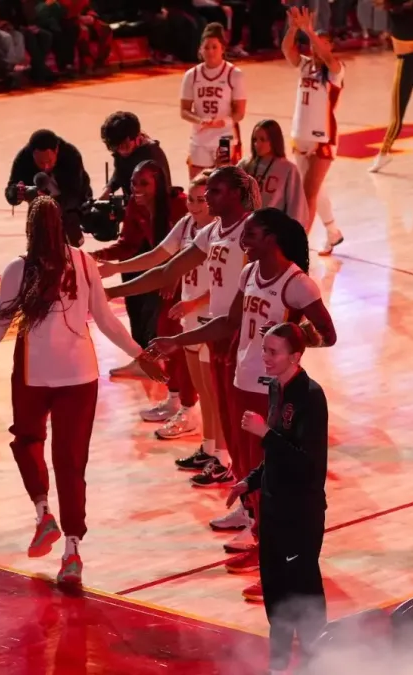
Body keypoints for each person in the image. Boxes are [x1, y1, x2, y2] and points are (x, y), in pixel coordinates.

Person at [0, 197, 165, 585]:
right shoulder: (84, 263)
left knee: (27, 442)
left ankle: (43, 514)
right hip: (79, 374)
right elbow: (105, 322)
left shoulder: (19, 269)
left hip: (36, 372)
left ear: (30, 230)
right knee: (71, 463)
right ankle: (71, 552)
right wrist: (140, 354)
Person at [151, 209, 337, 573]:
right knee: (248, 468)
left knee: (271, 479)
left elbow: (327, 334)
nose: (243, 241)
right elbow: (229, 323)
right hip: (241, 379)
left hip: (270, 392)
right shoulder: (249, 272)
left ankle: (273, 558)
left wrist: (290, 348)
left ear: (270, 238)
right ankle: (256, 533)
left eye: (250, 235)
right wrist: (178, 340)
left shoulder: (297, 284)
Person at [106, 166, 258, 493]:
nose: (203, 202)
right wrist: (109, 292)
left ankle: (247, 490)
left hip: (237, 336)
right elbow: (165, 271)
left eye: (213, 194)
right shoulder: (211, 232)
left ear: (233, 194)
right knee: (215, 402)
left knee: (236, 414)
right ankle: (223, 462)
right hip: (212, 332)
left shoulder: (250, 230)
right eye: (201, 195)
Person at [225, 323, 328, 672]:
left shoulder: (311, 397)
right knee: (276, 595)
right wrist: (250, 481)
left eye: (273, 352)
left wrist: (264, 433)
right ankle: (279, 668)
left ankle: (320, 665)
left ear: (295, 357)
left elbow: (307, 464)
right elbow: (276, 458)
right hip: (272, 508)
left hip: (300, 514)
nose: (264, 357)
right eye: (264, 350)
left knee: (302, 595)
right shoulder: (274, 389)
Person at [98, 173, 222, 452]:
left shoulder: (222, 234)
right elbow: (157, 260)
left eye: (201, 200)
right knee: (190, 371)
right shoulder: (188, 225)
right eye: (191, 199)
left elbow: (230, 283)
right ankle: (206, 443)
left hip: (212, 317)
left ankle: (217, 450)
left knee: (211, 390)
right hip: (190, 313)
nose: (194, 205)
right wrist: (117, 270)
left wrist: (194, 302)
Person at [91, 161, 187, 380]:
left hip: (189, 274)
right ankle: (152, 368)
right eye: (134, 183)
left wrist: (175, 275)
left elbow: (191, 248)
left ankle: (175, 384)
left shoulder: (180, 205)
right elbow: (129, 244)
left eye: (144, 183)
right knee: (156, 322)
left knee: (169, 326)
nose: (137, 189)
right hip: (165, 272)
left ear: (159, 183)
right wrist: (98, 256)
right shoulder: (136, 204)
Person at [282, 7, 344, 254]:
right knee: (316, 189)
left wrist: (309, 30)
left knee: (307, 194)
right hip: (300, 135)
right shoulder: (306, 65)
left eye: (324, 44)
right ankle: (333, 232)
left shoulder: (335, 70)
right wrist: (294, 28)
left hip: (323, 139)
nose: (319, 48)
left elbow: (328, 57)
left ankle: (297, 250)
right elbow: (287, 50)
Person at [368, 0, 413, 172]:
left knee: (397, 118)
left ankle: (383, 155)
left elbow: (379, 3)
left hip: (405, 66)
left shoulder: (395, 13)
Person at [180, 22, 247, 179]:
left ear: (222, 49)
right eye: (206, 47)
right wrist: (200, 120)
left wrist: (223, 121)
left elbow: (240, 113)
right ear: (200, 50)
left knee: (225, 186)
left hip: (225, 138)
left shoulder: (235, 74)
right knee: (197, 187)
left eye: (214, 47)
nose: (210, 51)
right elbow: (184, 111)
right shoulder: (191, 75)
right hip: (200, 138)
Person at [4, 129, 93, 247]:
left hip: (69, 206)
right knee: (37, 245)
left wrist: (49, 204)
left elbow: (74, 195)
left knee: (71, 244)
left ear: (56, 151)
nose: (46, 167)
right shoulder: (23, 159)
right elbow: (10, 191)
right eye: (41, 163)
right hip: (41, 209)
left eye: (49, 161)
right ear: (32, 154)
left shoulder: (71, 155)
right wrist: (16, 193)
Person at [239, 120, 308, 225]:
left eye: (263, 140)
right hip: (244, 227)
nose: (257, 144)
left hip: (271, 230)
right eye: (255, 139)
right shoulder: (245, 164)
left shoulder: (288, 169)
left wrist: (292, 234)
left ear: (274, 140)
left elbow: (296, 206)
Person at [99, 111, 172, 199]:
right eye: (116, 147)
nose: (121, 151)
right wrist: (109, 188)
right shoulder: (121, 148)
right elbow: (120, 172)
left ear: (137, 137)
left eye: (125, 146)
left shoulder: (152, 155)